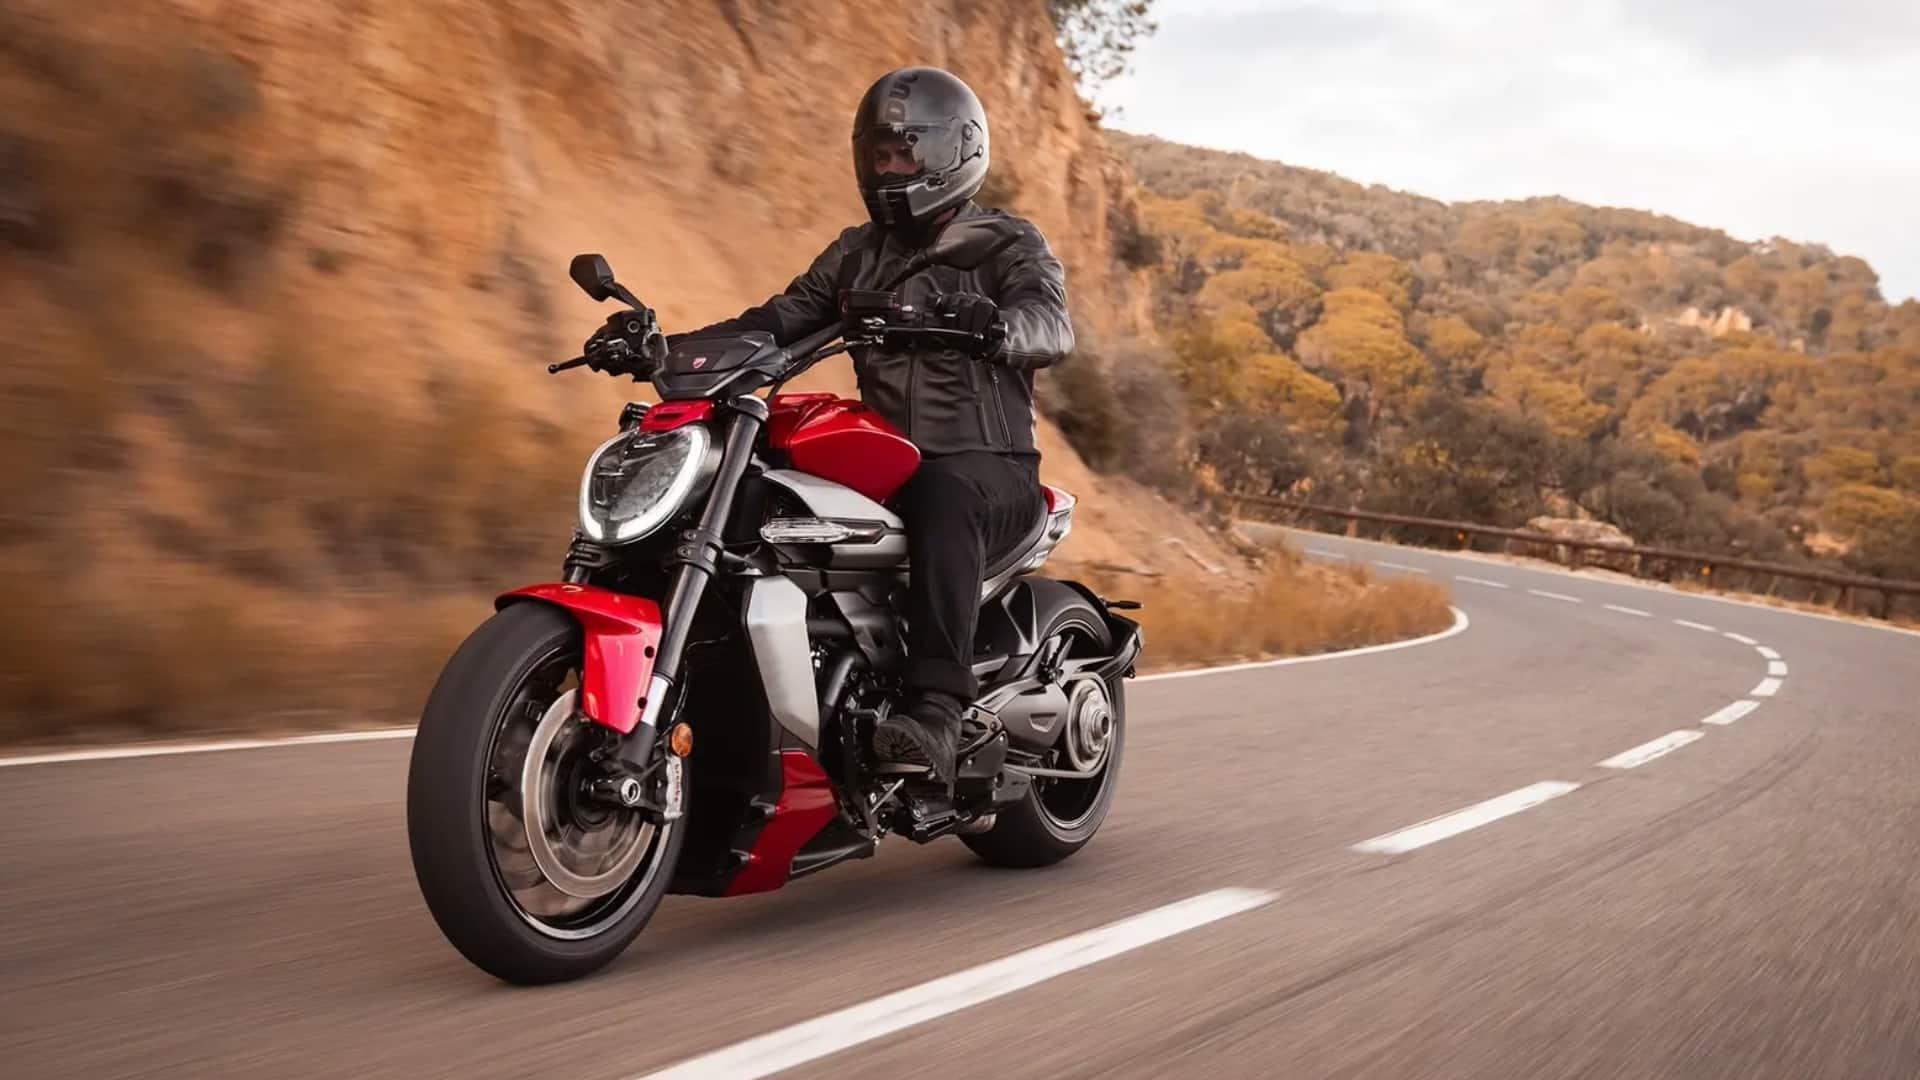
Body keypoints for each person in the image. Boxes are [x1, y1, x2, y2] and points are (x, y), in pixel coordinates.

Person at [596, 66, 1074, 782]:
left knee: (944, 494)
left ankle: (938, 710)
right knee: (761, 489)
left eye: (905, 153)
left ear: (955, 151)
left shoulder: (1007, 244)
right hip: (894, 463)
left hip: (990, 469)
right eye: (879, 154)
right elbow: (775, 321)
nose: (889, 170)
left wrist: (997, 326)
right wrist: (662, 348)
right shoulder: (858, 253)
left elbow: (1051, 323)